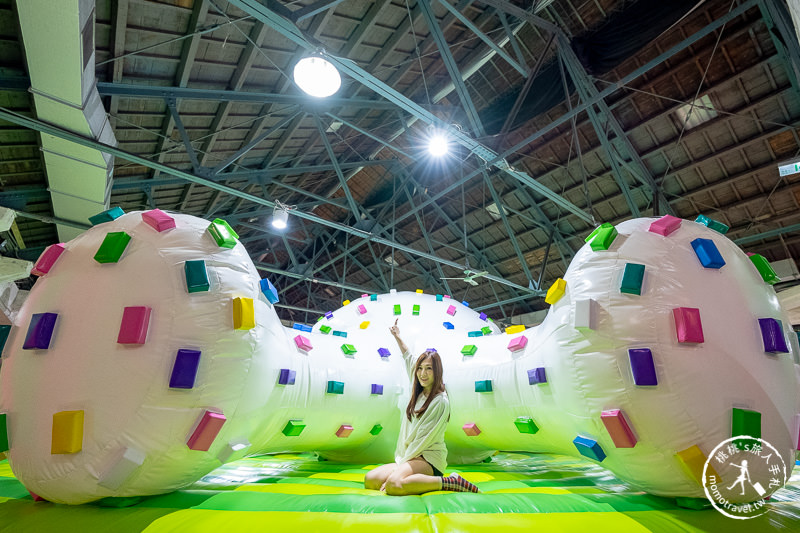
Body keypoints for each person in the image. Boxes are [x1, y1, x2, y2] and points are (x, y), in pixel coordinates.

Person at [364, 319, 479, 495]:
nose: (422, 374)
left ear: (437, 372)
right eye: (420, 368)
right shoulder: (419, 388)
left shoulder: (440, 401)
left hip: (428, 459)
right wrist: (397, 336)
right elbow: (408, 356)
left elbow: (422, 440)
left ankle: (451, 482)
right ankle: (405, 476)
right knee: (370, 479)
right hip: (409, 456)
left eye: (429, 369)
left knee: (394, 484)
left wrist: (399, 470)